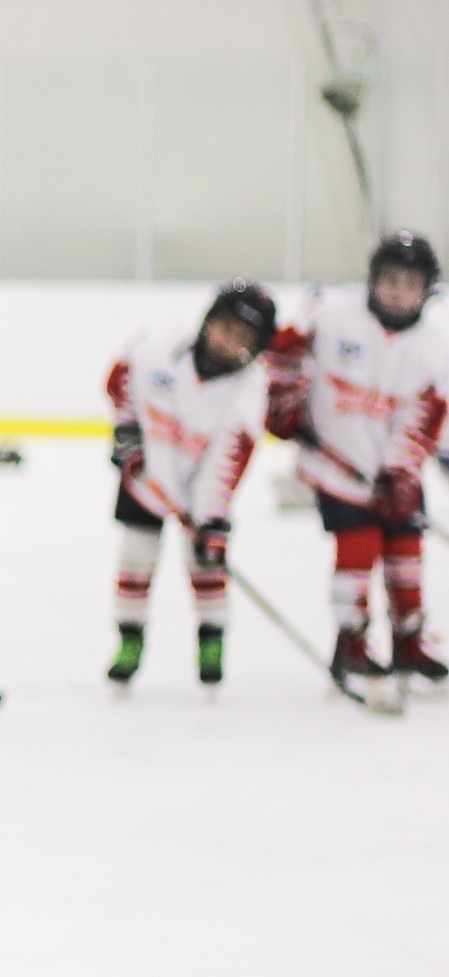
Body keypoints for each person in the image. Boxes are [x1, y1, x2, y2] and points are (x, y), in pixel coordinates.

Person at [265, 231, 449, 690]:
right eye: (389, 279)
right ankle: (351, 641)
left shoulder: (434, 350)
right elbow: (284, 352)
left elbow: (423, 420)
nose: (397, 290)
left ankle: (409, 640)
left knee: (407, 555)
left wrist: (401, 472)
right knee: (358, 550)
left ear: (427, 290)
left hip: (394, 474)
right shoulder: (332, 316)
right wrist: (285, 403)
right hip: (339, 470)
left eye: (410, 282)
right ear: (372, 279)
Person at [104, 282, 273, 688]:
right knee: (135, 558)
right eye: (224, 327)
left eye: (242, 338)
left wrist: (210, 519)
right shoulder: (157, 350)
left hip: (199, 488)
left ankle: (211, 643)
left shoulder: (247, 398)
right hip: (145, 479)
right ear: (207, 321)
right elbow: (118, 382)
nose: (228, 341)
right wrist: (127, 433)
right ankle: (130, 641)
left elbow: (225, 467)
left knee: (207, 567)